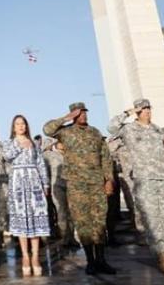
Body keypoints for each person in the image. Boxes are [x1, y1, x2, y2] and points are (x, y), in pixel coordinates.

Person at [109, 99, 164, 274]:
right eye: (143, 109)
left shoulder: (157, 130)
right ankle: (162, 255)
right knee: (153, 219)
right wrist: (128, 113)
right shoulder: (129, 129)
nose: (147, 111)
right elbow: (111, 127)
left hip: (163, 178)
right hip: (144, 179)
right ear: (137, 111)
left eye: (148, 108)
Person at [45, 102, 116, 275]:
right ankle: (90, 261)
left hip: (96, 183)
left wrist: (109, 179)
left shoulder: (95, 132)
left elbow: (105, 157)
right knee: (83, 222)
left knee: (99, 221)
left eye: (84, 112)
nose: (83, 115)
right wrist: (66, 118)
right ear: (73, 115)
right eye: (79, 113)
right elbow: (47, 129)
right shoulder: (66, 132)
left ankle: (101, 260)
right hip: (77, 185)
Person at [2, 115, 50, 277]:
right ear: (13, 127)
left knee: (35, 219)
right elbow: (6, 156)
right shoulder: (9, 142)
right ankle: (25, 256)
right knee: (22, 220)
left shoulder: (34, 144)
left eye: (23, 123)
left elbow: (41, 164)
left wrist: (45, 184)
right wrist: (20, 145)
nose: (21, 126)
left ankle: (35, 256)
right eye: (17, 124)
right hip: (18, 184)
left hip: (34, 182)